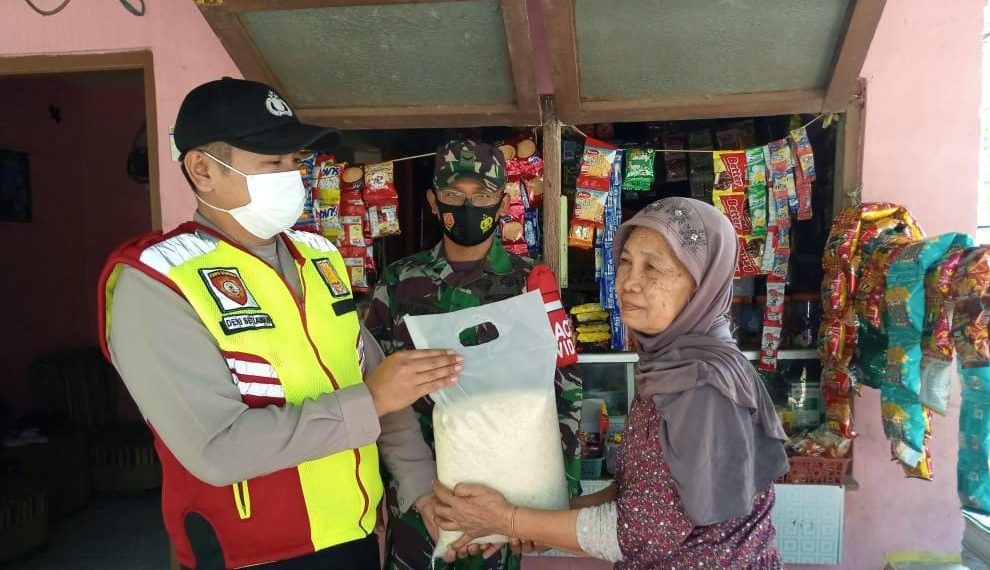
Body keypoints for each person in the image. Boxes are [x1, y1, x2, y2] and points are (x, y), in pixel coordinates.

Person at [98, 77, 455, 570]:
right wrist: (370, 400)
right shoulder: (158, 282)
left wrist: (419, 489)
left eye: (295, 160)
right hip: (249, 555)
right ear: (202, 169)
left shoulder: (319, 258)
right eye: (272, 161)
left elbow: (381, 393)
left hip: (352, 539)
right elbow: (216, 448)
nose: (294, 176)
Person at [431, 197, 791, 569]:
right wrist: (525, 526)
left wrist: (506, 519)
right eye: (625, 262)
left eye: (653, 268)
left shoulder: (702, 384)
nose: (630, 283)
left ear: (701, 284)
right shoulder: (669, 363)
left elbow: (636, 535)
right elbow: (634, 498)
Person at [365, 140, 583, 570]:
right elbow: (377, 393)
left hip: (506, 492)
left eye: (482, 196)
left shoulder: (532, 282)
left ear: (502, 204)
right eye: (454, 196)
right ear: (433, 201)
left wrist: (553, 505)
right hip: (422, 498)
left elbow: (564, 388)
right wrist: (417, 492)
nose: (469, 207)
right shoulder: (399, 282)